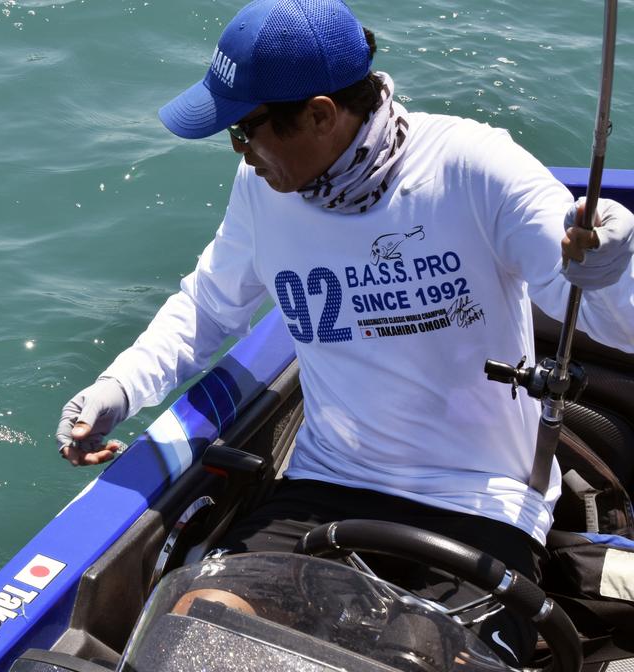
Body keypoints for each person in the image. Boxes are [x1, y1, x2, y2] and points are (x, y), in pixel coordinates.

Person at [55, 0, 634, 665]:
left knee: (427, 657)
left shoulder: (476, 167)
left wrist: (611, 269)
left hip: (481, 501)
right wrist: (118, 388)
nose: (239, 152)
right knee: (202, 623)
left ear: (322, 115)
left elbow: (606, 318)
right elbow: (207, 307)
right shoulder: (260, 186)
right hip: (322, 485)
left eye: (246, 129)